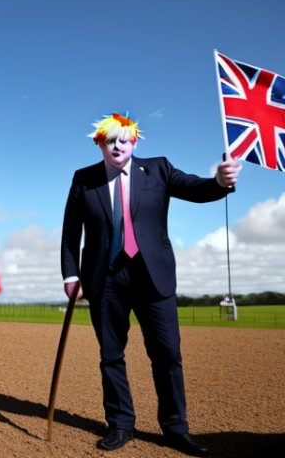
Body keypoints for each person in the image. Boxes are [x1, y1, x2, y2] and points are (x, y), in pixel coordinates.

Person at [60, 113, 241, 457]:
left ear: (135, 142)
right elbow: (71, 234)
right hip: (105, 279)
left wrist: (219, 180)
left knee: (167, 354)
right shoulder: (83, 179)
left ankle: (175, 429)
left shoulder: (158, 169)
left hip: (153, 278)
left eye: (124, 139)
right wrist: (71, 275)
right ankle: (120, 424)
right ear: (99, 143)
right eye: (109, 140)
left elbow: (197, 189)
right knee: (111, 356)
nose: (118, 145)